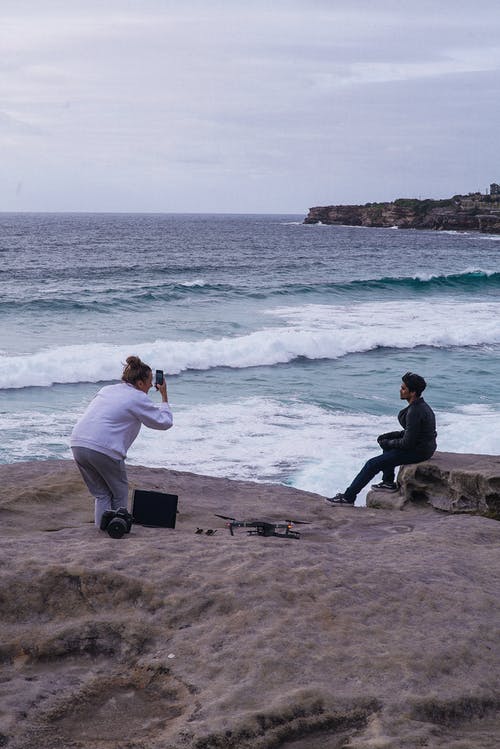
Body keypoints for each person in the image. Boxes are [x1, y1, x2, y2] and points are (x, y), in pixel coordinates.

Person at [70, 355, 173, 527]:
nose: (151, 385)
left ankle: (102, 530)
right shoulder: (137, 397)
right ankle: (118, 528)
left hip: (78, 443)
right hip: (104, 448)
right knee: (119, 492)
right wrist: (164, 396)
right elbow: (164, 422)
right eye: (149, 381)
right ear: (140, 383)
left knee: (102, 494)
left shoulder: (107, 389)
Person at [327, 372, 436, 506]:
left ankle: (348, 497)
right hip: (425, 446)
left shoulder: (415, 411)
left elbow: (408, 442)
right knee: (387, 444)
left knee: (372, 464)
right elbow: (414, 432)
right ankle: (388, 482)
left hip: (419, 451)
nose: (400, 390)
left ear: (412, 393)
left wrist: (388, 442)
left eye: (403, 388)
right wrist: (390, 437)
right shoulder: (420, 406)